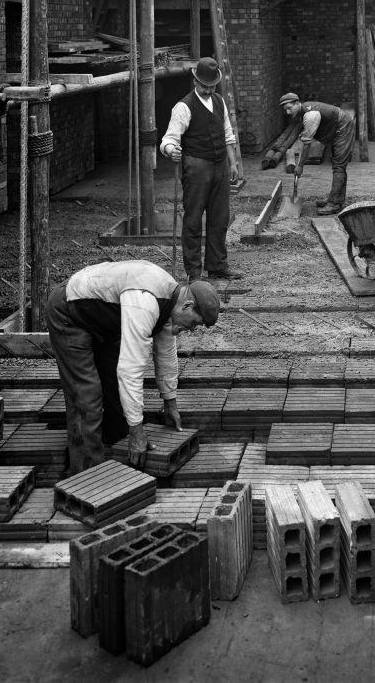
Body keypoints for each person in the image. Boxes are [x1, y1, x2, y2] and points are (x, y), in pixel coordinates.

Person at [46, 259, 220, 474]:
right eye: (194, 323)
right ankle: (87, 476)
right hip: (70, 312)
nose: (192, 329)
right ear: (187, 305)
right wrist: (137, 432)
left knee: (115, 390)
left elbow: (166, 355)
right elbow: (130, 371)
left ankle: (116, 453)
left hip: (104, 319)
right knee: (86, 395)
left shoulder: (170, 301)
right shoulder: (145, 303)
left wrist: (170, 402)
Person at [160, 57, 242, 281]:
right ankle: (194, 272)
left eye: (212, 86)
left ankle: (217, 266)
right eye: (204, 85)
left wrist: (232, 163)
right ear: (195, 81)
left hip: (220, 166)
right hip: (196, 167)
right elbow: (169, 139)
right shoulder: (183, 107)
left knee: (220, 218)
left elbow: (228, 134)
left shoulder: (219, 101)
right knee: (193, 219)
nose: (208, 90)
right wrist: (171, 151)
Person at [278, 92, 355, 215]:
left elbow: (307, 144)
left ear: (297, 103)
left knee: (338, 166)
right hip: (336, 127)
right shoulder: (303, 112)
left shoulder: (310, 115)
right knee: (338, 165)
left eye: (289, 108)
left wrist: (300, 166)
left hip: (343, 127)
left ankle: (334, 204)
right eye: (285, 110)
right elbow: (303, 139)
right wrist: (299, 162)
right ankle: (336, 199)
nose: (287, 112)